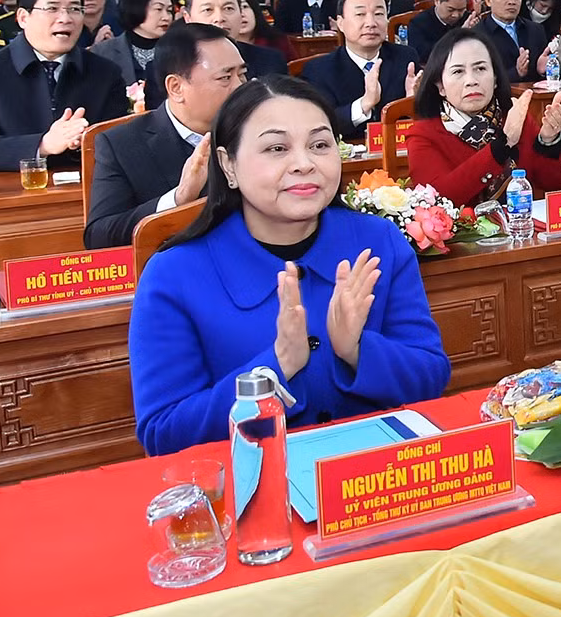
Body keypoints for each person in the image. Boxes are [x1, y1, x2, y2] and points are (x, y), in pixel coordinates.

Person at [128, 77, 451, 455]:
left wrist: (357, 350)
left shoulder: (378, 242)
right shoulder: (173, 275)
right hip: (252, 491)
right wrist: (276, 367)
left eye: (319, 145)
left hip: (373, 482)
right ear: (227, 165)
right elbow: (164, 434)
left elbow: (432, 376)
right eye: (277, 148)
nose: (304, 164)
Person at [85, 24, 246, 252]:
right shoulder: (122, 144)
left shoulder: (261, 130)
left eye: (242, 74)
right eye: (225, 77)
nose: (241, 87)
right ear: (176, 87)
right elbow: (100, 236)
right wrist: (179, 200)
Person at [0, 0, 129, 166]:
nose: (65, 18)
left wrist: (81, 142)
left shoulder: (106, 72)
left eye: (75, 9)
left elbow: (118, 143)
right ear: (23, 18)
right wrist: (43, 145)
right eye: (52, 9)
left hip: (87, 188)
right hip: (12, 191)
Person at [405, 28, 561, 206]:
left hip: (519, 228)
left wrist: (549, 142)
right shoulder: (423, 134)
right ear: (440, 86)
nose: (471, 80)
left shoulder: (514, 118)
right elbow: (438, 201)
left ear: (495, 78)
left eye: (480, 68)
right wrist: (501, 145)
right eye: (458, 72)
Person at [301, 0, 422, 142]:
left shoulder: (405, 57)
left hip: (398, 151)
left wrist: (412, 102)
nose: (371, 23)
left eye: (378, 14)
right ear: (341, 23)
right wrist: (364, 104)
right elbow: (318, 125)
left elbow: (421, 117)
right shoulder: (318, 70)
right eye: (360, 14)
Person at [181, 0, 288, 82]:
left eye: (228, 8)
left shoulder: (270, 61)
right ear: (188, 17)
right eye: (208, 10)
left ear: (240, 13)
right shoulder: (172, 63)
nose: (219, 18)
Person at [89, 0, 174, 88]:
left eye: (169, 10)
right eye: (158, 9)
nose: (166, 17)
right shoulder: (103, 52)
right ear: (137, 8)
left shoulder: (179, 50)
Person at [479, 0, 547, 82]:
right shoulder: (477, 35)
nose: (512, 2)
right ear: (489, 0)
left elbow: (543, 74)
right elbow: (480, 78)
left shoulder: (536, 30)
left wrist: (543, 71)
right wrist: (516, 72)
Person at [407, 0, 473, 64]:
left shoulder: (467, 19)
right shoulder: (418, 23)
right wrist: (459, 35)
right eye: (451, 9)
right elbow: (422, 56)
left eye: (461, 10)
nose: (455, 15)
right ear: (437, 1)